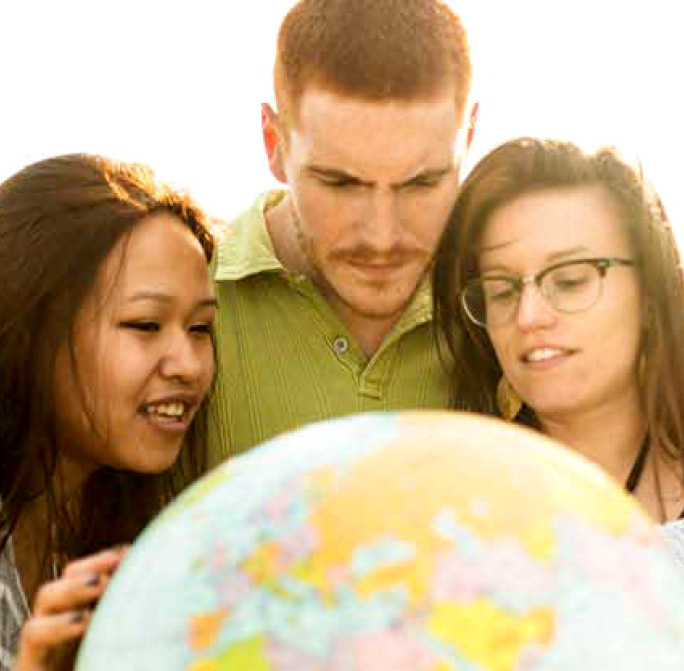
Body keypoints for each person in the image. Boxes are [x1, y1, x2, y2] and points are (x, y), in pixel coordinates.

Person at [210, 0, 477, 459]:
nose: (381, 236)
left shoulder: (513, 305)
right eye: (340, 183)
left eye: (421, 183)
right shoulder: (185, 301)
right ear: (274, 144)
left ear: (468, 137)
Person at [0, 154, 217, 671]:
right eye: (145, 325)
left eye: (201, 328)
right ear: (31, 332)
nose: (188, 365)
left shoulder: (151, 546)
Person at [433, 137, 684, 527]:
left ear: (651, 293)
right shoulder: (456, 511)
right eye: (502, 290)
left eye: (569, 281)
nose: (528, 316)